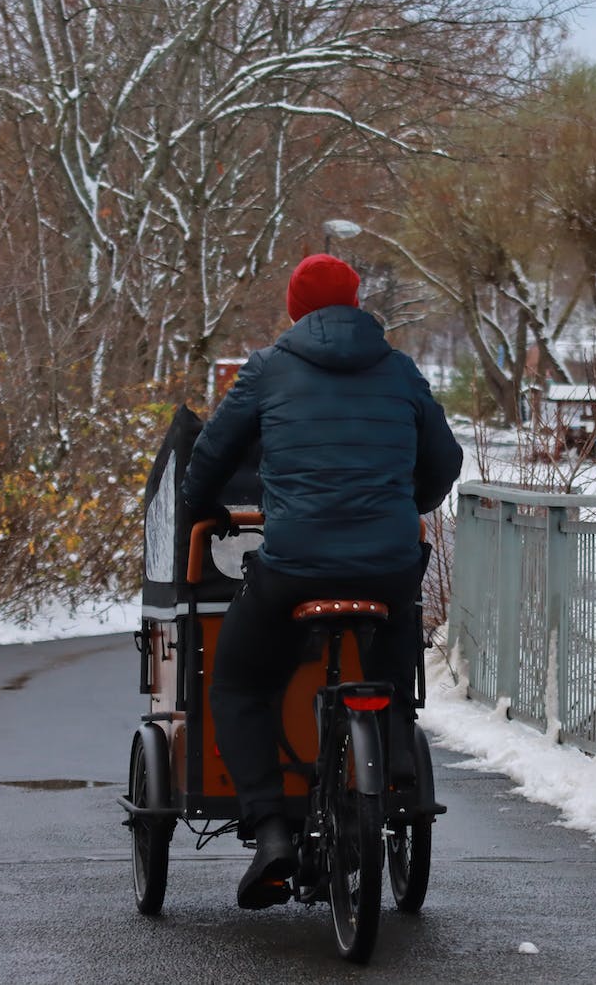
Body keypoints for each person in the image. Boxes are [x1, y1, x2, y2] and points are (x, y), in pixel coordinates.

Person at [181, 252, 462, 910]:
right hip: (387, 564)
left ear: (294, 307)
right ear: (357, 303)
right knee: (392, 641)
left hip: (294, 567)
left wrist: (207, 510)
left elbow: (210, 455)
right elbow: (444, 463)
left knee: (240, 680)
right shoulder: (400, 370)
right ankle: (392, 748)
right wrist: (405, 500)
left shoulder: (268, 369)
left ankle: (273, 831)